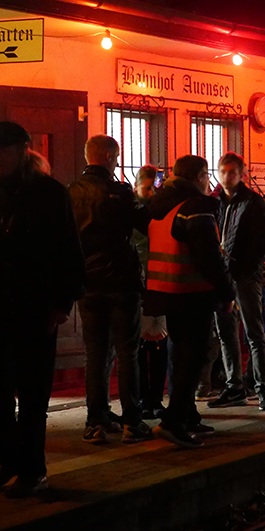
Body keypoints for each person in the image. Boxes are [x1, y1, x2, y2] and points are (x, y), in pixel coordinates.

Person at [0, 121, 86, 497]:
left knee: (31, 394)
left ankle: (32, 469)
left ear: (23, 151)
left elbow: (68, 250)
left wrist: (61, 304)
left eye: (5, 149)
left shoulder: (49, 194)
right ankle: (8, 459)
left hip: (35, 307)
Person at [144, 155, 235, 447]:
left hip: (165, 290)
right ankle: (174, 422)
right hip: (192, 292)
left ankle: (185, 416)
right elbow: (209, 256)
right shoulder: (196, 207)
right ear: (199, 176)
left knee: (178, 353)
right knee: (194, 357)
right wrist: (227, 292)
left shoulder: (159, 204)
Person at [68, 135, 151, 445]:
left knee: (95, 354)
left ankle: (96, 420)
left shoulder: (71, 193)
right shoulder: (119, 192)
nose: (117, 162)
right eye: (115, 157)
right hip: (122, 282)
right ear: (106, 156)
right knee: (128, 352)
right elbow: (145, 223)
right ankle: (132, 420)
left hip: (87, 283)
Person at [207, 152, 265, 411]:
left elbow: (263, 241)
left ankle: (262, 387)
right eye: (223, 172)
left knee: (253, 332)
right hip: (223, 277)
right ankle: (234, 385)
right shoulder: (215, 202)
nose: (226, 177)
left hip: (245, 276)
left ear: (242, 174)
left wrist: (248, 268)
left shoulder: (253, 203)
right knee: (226, 333)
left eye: (232, 172)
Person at [133, 165, 168, 420]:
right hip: (141, 283)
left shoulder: (162, 212)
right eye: (147, 188)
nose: (151, 193)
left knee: (159, 344)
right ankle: (144, 398)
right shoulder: (133, 213)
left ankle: (155, 398)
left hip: (160, 282)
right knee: (140, 345)